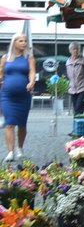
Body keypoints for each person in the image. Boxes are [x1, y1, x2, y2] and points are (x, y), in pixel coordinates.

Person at [0, 33, 36, 162]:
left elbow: (32, 72)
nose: (24, 43)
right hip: (7, 96)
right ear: (14, 42)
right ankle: (10, 152)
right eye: (21, 41)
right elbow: (1, 74)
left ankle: (20, 149)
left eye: (25, 41)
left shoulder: (29, 57)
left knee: (22, 124)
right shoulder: (5, 58)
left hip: (23, 96)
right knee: (9, 123)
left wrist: (31, 82)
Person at [66, 42, 84, 116]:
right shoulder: (68, 62)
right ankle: (77, 124)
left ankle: (78, 125)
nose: (76, 51)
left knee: (79, 108)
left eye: (78, 49)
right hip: (73, 89)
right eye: (74, 49)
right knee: (75, 109)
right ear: (70, 50)